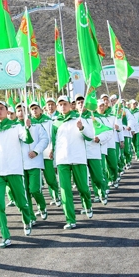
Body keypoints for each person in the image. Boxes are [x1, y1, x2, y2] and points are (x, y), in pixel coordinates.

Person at [0, 100, 36, 248]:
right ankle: (5, 236)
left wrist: (27, 127)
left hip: (14, 170)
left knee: (21, 203)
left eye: (1, 108)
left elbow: (27, 139)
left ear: (7, 111)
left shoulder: (16, 127)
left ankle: (27, 219)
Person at [47, 96, 94, 229]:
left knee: (83, 188)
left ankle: (88, 204)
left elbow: (90, 136)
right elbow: (54, 142)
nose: (63, 106)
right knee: (65, 191)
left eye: (65, 104)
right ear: (57, 107)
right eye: (60, 104)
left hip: (78, 158)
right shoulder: (55, 122)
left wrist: (82, 128)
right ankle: (70, 220)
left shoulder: (79, 118)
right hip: (63, 160)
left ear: (70, 105)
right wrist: (55, 160)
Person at [20, 101, 50, 220]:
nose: (20, 113)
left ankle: (42, 207)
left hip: (34, 163)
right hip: (20, 165)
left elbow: (45, 140)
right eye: (18, 110)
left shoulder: (37, 126)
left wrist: (36, 151)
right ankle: (31, 216)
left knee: (34, 189)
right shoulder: (15, 128)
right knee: (25, 192)